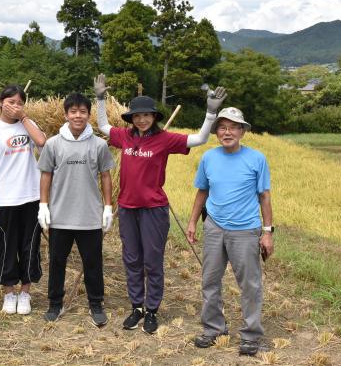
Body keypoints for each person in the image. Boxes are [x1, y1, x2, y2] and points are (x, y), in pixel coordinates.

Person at [94, 74, 226, 334]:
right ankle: (137, 308)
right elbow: (102, 126)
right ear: (131, 118)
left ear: (154, 117)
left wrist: (211, 113)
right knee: (131, 259)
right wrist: (99, 98)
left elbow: (199, 139)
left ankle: (152, 310)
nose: (142, 119)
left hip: (154, 209)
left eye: (147, 115)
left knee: (152, 261)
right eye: (137, 115)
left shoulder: (165, 140)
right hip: (128, 208)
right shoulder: (125, 137)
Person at [186, 107, 274, 356]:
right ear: (217, 133)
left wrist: (267, 232)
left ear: (243, 131)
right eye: (223, 127)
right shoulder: (209, 158)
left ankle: (251, 334)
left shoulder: (257, 159)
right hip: (214, 226)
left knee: (250, 284)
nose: (228, 132)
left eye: (234, 127)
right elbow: (202, 191)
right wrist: (193, 222)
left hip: (246, 229)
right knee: (210, 280)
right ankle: (214, 328)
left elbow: (264, 197)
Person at [38, 92, 115, 327]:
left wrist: (108, 206)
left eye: (83, 111)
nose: (78, 115)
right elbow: (46, 175)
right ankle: (55, 304)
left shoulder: (99, 145)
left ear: (89, 115)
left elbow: (105, 176)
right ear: (66, 114)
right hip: (60, 216)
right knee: (57, 261)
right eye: (73, 111)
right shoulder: (53, 144)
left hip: (89, 216)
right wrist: (43, 205)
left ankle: (96, 304)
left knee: (93, 263)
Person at [0, 85, 47, 315]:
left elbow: (43, 142)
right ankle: (8, 293)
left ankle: (25, 292)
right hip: (5, 199)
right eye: (10, 102)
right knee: (4, 247)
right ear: (0, 103)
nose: (15, 106)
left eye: (19, 103)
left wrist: (24, 117)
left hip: (31, 196)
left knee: (30, 246)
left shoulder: (28, 125)